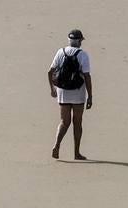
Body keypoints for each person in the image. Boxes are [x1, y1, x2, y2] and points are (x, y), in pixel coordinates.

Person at [48, 28, 93, 160]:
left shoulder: (60, 52)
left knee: (64, 121)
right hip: (77, 92)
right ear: (79, 41)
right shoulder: (83, 54)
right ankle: (76, 153)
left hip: (62, 91)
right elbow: (87, 76)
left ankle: (56, 145)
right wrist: (90, 96)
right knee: (77, 122)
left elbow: (50, 72)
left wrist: (52, 89)